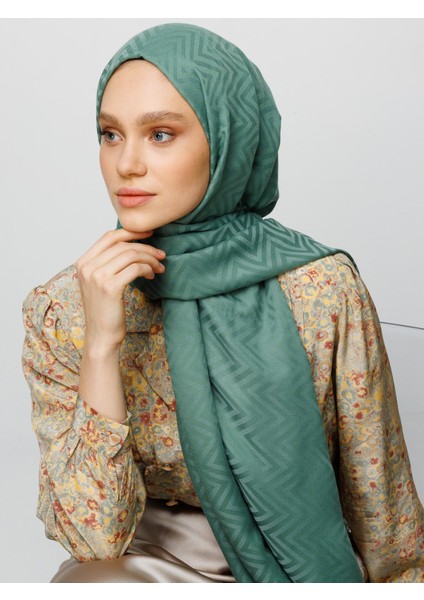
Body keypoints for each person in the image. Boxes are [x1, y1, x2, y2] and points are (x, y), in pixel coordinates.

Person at [21, 22, 423, 583]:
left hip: (300, 562)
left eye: (161, 134)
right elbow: (94, 539)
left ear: (229, 137)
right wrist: (100, 346)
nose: (126, 163)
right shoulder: (65, 306)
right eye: (110, 134)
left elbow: (381, 501)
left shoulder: (320, 290)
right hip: (140, 563)